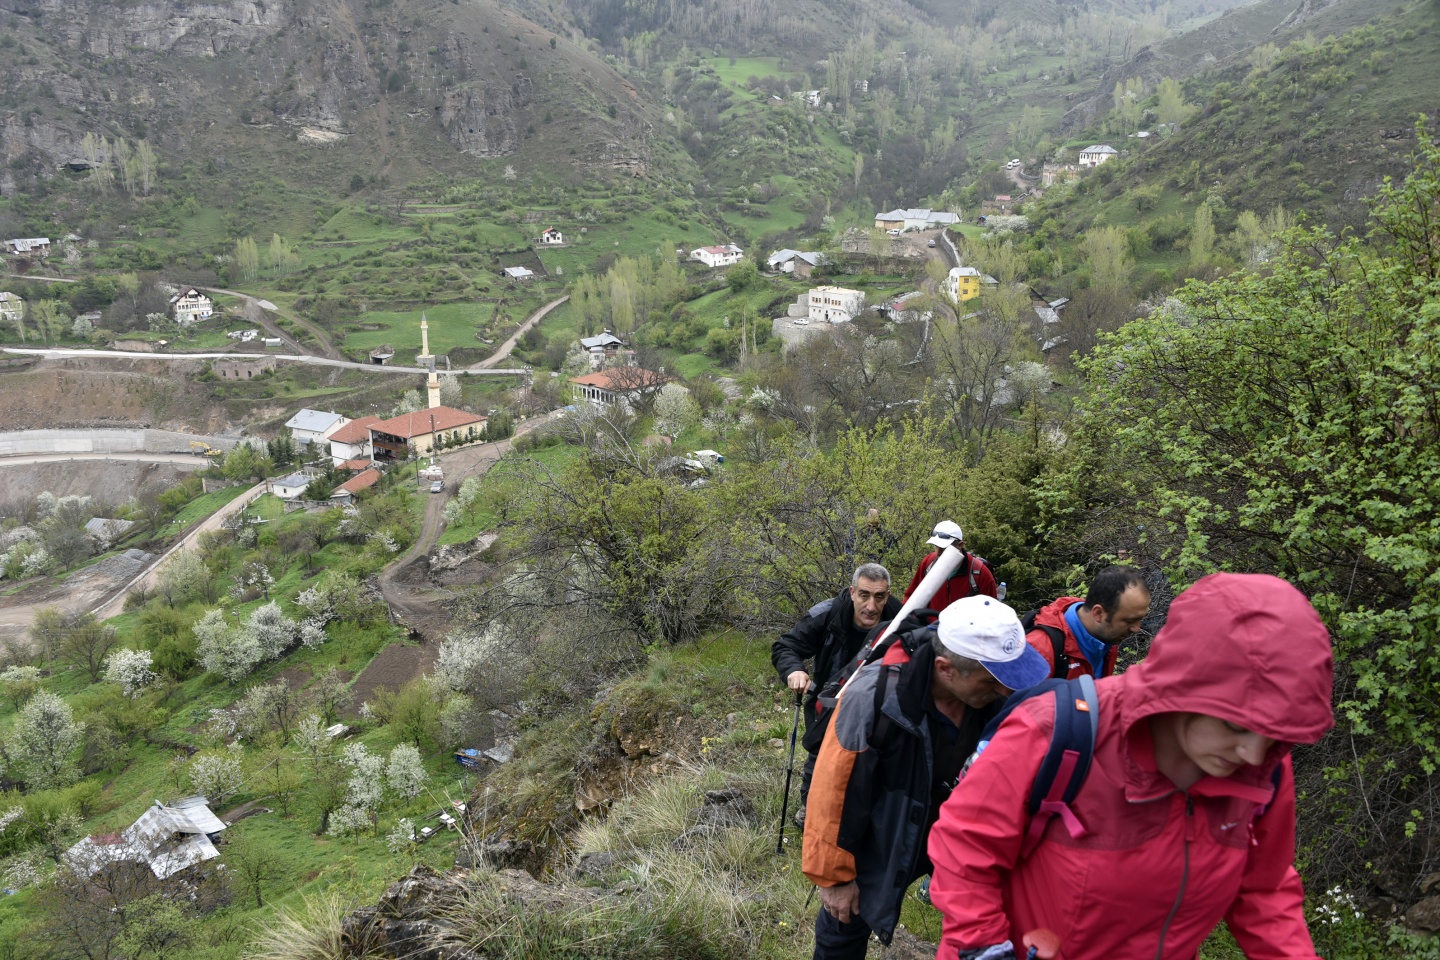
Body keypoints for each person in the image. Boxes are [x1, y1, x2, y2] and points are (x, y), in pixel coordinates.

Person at [927, 572, 1335, 960]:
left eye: (1275, 735)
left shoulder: (1262, 768)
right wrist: (982, 946)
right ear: (1183, 685)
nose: (1251, 753)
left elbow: (1264, 891)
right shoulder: (1055, 732)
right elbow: (965, 846)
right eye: (1234, 725)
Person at [802, 596, 1051, 960]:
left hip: (949, 831)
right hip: (877, 834)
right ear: (945, 668)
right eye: (992, 680)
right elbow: (832, 793)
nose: (1004, 691)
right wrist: (835, 877)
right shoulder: (872, 698)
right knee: (842, 931)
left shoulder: (992, 700)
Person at [773, 563, 902, 818]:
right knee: (821, 758)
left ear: (887, 596)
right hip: (829, 703)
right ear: (852, 592)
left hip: (878, 705)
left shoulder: (901, 618)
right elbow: (785, 647)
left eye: (879, 597)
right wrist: (794, 671)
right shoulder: (828, 613)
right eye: (864, 595)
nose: (871, 606)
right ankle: (811, 811)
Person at [1025, 564, 1150, 679]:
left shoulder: (1105, 638)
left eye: (1140, 619)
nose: (1137, 628)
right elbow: (1016, 703)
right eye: (1129, 621)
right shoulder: (1039, 652)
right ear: (1098, 613)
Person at [902, 520, 999, 612]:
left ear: (960, 545)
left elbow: (991, 613)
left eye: (944, 547)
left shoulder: (980, 573)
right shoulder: (928, 563)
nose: (938, 552)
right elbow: (911, 597)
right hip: (931, 628)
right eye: (936, 546)